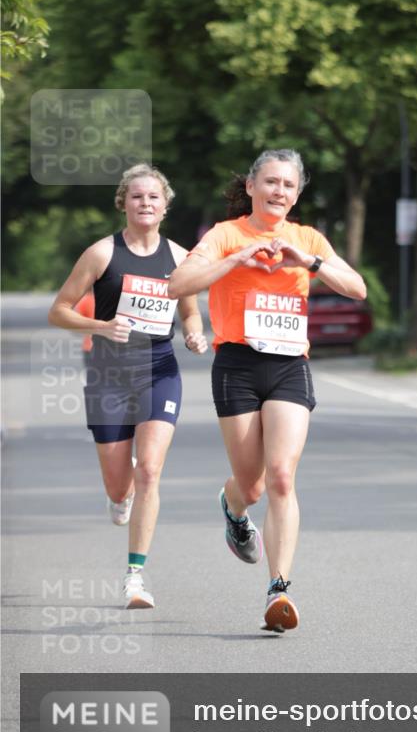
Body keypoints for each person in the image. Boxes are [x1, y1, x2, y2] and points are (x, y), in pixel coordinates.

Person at [168, 149, 366, 631]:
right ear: (252, 186)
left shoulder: (307, 237)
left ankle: (278, 589)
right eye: (271, 182)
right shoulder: (225, 233)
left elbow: (356, 288)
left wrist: (310, 261)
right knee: (252, 485)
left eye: (289, 186)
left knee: (280, 477)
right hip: (236, 364)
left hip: (288, 366)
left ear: (297, 194)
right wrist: (235, 257)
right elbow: (178, 284)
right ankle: (233, 507)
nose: (280, 192)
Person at [48, 164, 207, 609]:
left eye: (154, 197)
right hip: (108, 375)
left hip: (159, 368)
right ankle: (121, 497)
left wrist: (194, 333)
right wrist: (100, 325)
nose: (146, 204)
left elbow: (190, 311)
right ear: (124, 202)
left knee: (150, 469)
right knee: (120, 485)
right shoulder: (101, 254)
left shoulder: (180, 257)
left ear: (165, 205)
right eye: (137, 197)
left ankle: (135, 576)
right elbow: (58, 311)